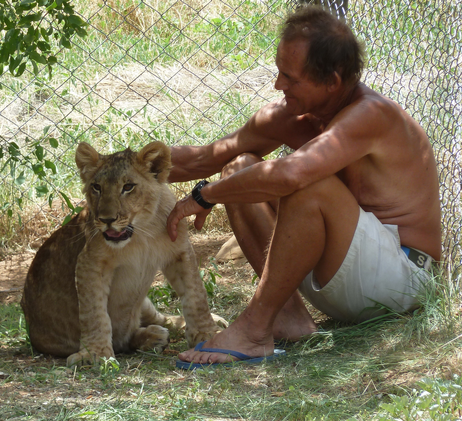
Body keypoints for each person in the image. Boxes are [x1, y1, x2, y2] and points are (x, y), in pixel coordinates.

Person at [166, 6, 441, 368]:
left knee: (309, 184)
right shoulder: (289, 115)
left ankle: (253, 328)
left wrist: (205, 196)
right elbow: (203, 159)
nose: (279, 85)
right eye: (279, 72)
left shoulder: (371, 115)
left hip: (401, 282)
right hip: (345, 276)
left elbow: (293, 175)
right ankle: (289, 320)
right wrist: (113, 168)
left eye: (291, 78)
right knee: (239, 166)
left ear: (332, 81)